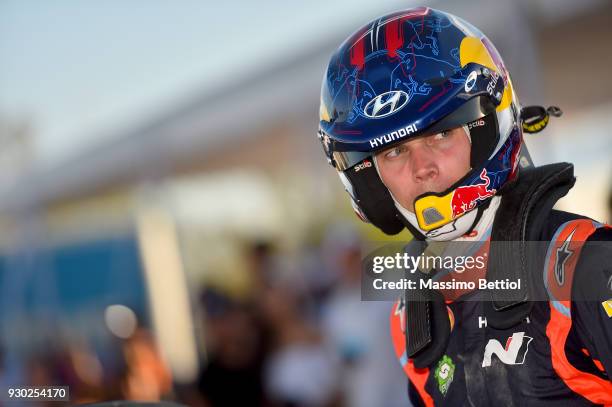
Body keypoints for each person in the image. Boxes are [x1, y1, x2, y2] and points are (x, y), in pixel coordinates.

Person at [317, 7, 611, 406]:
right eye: (395, 150)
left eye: (441, 134)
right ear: (368, 179)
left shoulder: (585, 266)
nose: (422, 168)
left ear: (486, 126)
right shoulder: (413, 319)